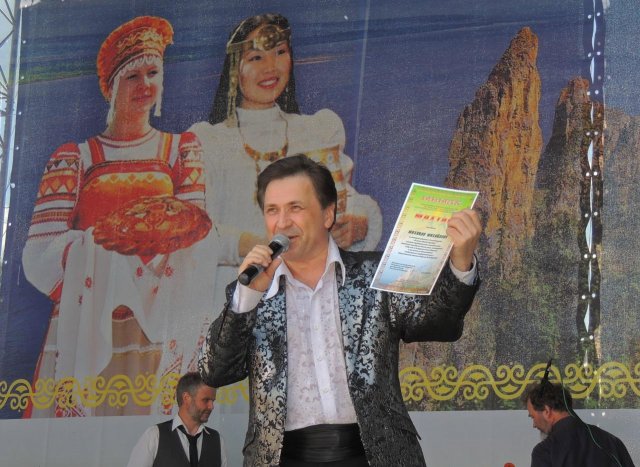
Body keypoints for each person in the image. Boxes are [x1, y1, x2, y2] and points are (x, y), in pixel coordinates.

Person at [199, 155, 481, 466]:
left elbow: (439, 324)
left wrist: (461, 263)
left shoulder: (375, 274)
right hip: (283, 457)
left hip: (374, 454)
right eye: (272, 210)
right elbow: (214, 371)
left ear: (328, 214)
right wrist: (248, 296)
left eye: (295, 208)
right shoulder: (250, 293)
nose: (282, 222)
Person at [22, 16, 217, 416]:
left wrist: (142, 248)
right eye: (132, 77)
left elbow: (196, 237)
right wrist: (99, 247)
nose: (145, 85)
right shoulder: (74, 158)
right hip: (89, 327)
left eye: (153, 74)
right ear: (110, 86)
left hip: (159, 330)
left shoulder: (181, 150)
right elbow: (39, 255)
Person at [189, 13, 383, 313]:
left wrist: (357, 224)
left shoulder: (314, 131)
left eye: (280, 52)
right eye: (256, 57)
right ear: (234, 68)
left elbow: (346, 201)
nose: (271, 67)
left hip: (307, 298)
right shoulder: (208, 143)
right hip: (236, 297)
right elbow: (194, 233)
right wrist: (260, 246)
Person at [126, 372, 227, 467]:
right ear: (186, 398)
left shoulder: (217, 440)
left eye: (212, 401)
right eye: (206, 400)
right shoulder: (154, 436)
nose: (211, 406)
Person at [525, 381, 635, 467]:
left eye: (533, 417)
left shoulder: (545, 452)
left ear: (546, 411)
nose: (534, 425)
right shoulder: (612, 442)